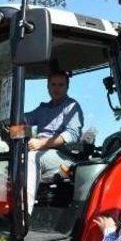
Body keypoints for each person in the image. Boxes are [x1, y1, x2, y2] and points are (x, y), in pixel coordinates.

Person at [25, 71, 83, 213]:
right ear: (48, 86)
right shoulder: (43, 108)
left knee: (32, 158)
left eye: (61, 85)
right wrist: (10, 122)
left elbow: (71, 135)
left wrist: (41, 143)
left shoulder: (72, 107)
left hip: (65, 159)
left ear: (67, 87)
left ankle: (23, 213)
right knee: (13, 159)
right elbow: (22, 119)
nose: (56, 88)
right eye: (53, 84)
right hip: (41, 151)